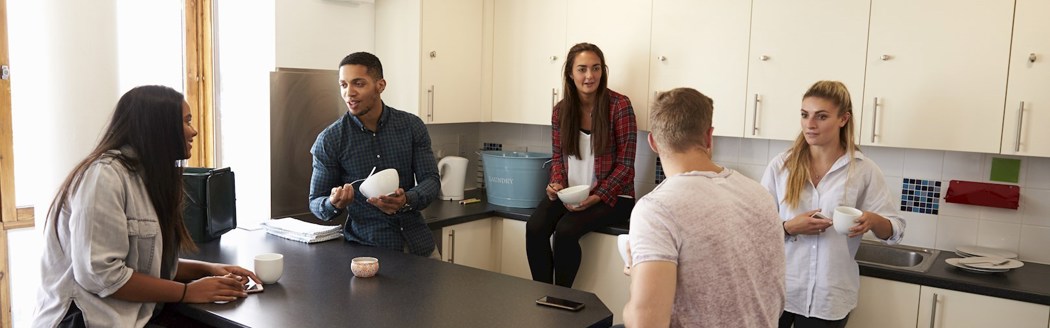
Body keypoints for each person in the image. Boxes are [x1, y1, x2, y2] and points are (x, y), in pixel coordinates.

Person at [34, 85, 260, 327]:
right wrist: (187, 291)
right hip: (87, 321)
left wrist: (209, 269)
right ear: (159, 128)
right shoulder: (104, 176)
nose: (193, 131)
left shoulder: (148, 177)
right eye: (186, 122)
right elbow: (101, 275)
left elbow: (145, 264)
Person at [622, 88, 785, 327]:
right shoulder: (759, 194)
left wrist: (638, 272)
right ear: (709, 137)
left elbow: (645, 322)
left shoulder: (657, 210)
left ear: (653, 142)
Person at [761, 80, 905, 328]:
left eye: (821, 116)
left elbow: (895, 230)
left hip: (830, 298)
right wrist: (788, 227)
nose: (810, 124)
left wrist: (873, 220)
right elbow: (755, 228)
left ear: (843, 119)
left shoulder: (863, 170)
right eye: (805, 115)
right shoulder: (781, 165)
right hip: (779, 292)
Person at [526, 42, 637, 288]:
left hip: (614, 198)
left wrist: (596, 196)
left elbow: (626, 166)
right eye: (582, 69)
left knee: (565, 231)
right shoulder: (561, 111)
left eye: (596, 68)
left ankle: (561, 298)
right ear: (570, 73)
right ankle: (542, 294)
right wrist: (556, 184)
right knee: (534, 227)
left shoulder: (619, 106)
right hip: (572, 193)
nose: (590, 76)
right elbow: (558, 158)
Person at [309, 52, 440, 257]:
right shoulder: (330, 140)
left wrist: (407, 199)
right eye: (344, 85)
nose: (349, 93)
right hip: (368, 253)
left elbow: (431, 180)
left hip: (420, 246)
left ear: (380, 85)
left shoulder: (411, 126)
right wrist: (333, 203)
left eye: (358, 83)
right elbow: (316, 201)